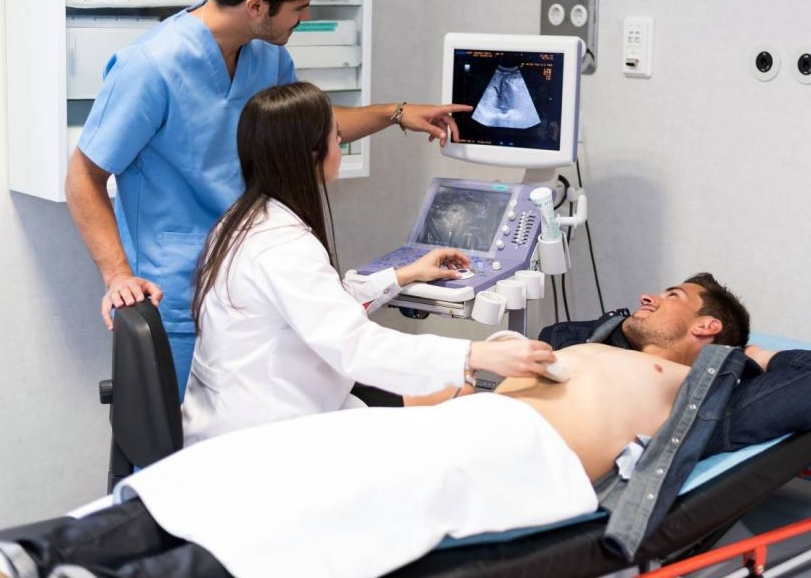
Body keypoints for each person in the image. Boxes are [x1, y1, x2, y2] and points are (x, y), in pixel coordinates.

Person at [0, 273, 811, 578]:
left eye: (674, 295)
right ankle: (27, 553)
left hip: (516, 461)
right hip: (448, 427)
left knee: (302, 522)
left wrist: (750, 353)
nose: (649, 295)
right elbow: (517, 348)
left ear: (709, 328)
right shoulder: (591, 341)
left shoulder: (711, 387)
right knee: (245, 469)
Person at [65, 0, 472, 395]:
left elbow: (311, 125)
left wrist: (395, 114)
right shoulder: (150, 67)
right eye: (298, 8)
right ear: (256, 6)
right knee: (176, 435)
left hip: (249, 286)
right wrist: (118, 277)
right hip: (174, 293)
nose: (304, 18)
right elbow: (83, 176)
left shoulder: (266, 56)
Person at [180, 81, 556, 444]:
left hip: (254, 405)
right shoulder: (283, 246)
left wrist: (403, 275)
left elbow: (318, 304)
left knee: (459, 390)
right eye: (336, 136)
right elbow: (356, 347)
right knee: (472, 400)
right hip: (272, 434)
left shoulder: (242, 221)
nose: (341, 144)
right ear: (312, 155)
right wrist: (475, 353)